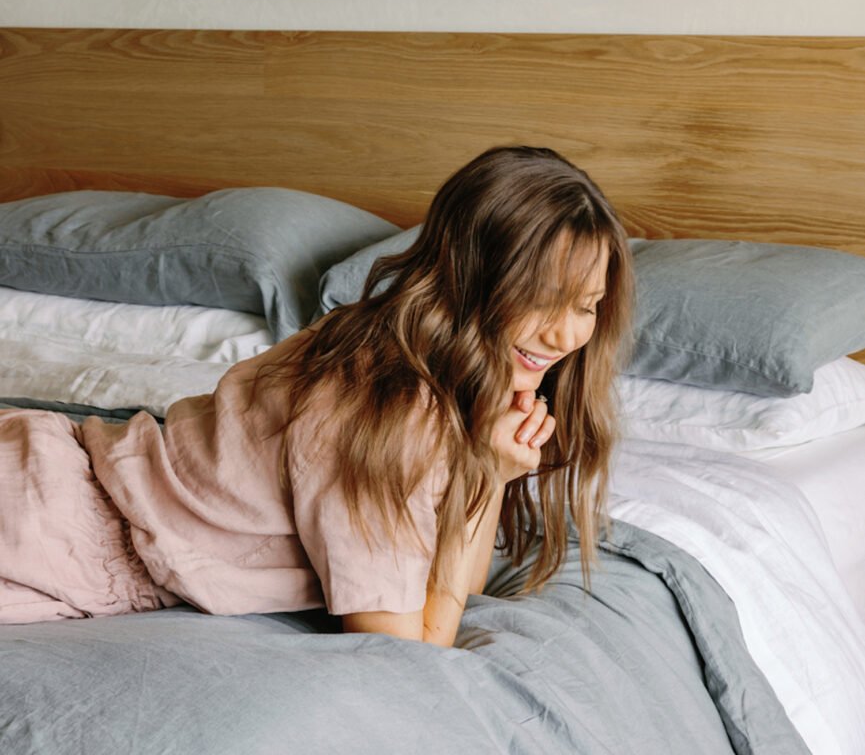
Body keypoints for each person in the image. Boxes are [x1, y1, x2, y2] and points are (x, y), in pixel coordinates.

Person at [0, 146, 633, 645]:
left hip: (50, 476)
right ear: (472, 278)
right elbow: (403, 652)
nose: (564, 334)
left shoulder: (398, 346)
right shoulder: (395, 405)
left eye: (586, 307)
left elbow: (454, 576)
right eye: (540, 299)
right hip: (45, 530)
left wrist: (491, 475)